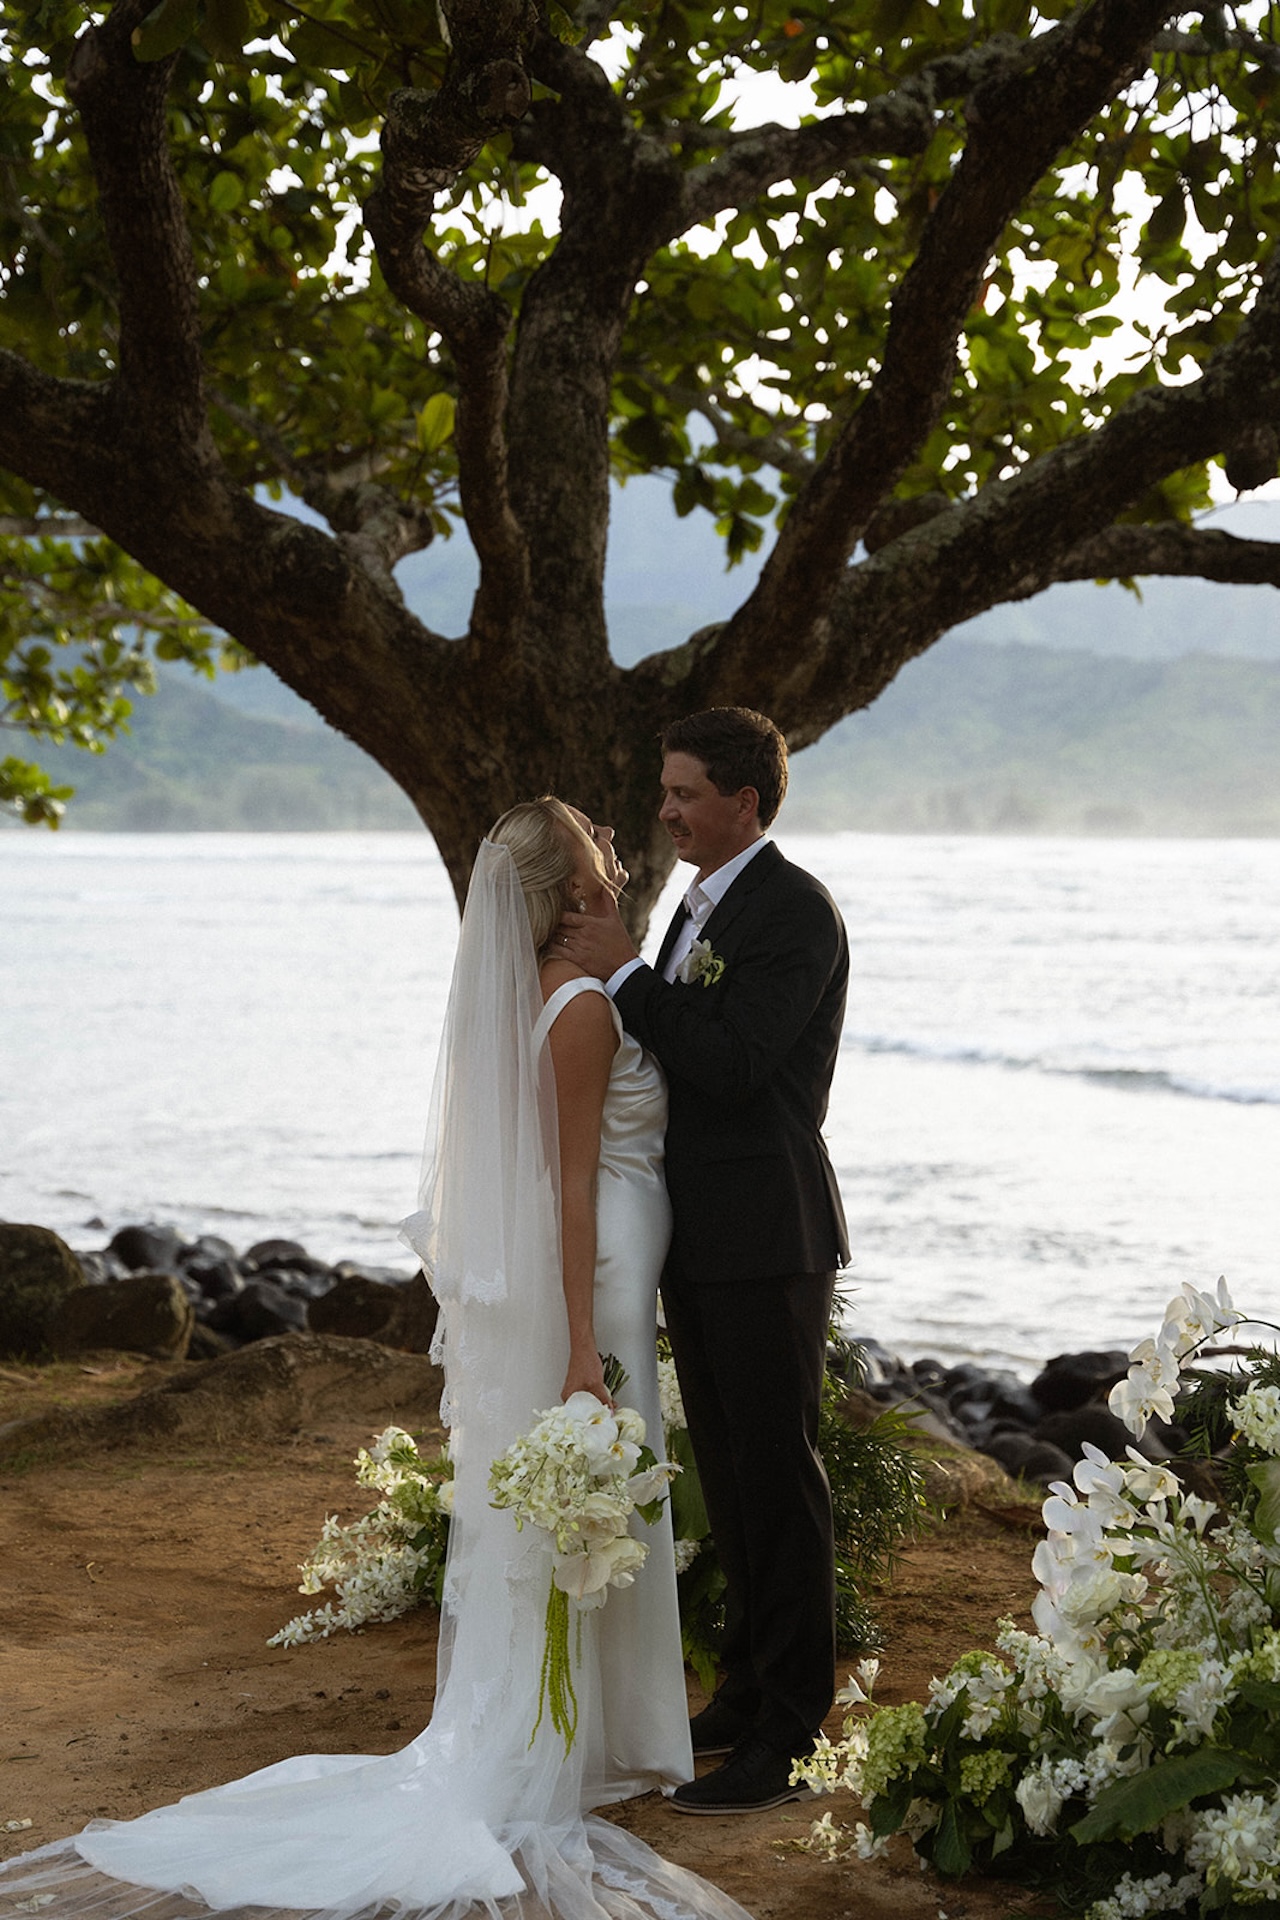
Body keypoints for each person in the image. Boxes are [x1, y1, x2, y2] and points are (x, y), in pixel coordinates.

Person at [0, 799, 752, 1920]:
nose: (612, 835)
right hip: (591, 1284)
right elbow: (575, 1185)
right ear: (571, 882)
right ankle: (562, 1741)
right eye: (592, 836)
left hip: (602, 1276)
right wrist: (582, 1345)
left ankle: (581, 1731)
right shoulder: (583, 1007)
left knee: (565, 1516)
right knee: (587, 1500)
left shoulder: (550, 993)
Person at [559, 708, 850, 1817]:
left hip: (769, 1231)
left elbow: (731, 1064)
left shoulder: (794, 912)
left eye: (685, 794)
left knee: (779, 1481)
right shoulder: (696, 902)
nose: (666, 810)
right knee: (728, 1478)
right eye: (666, 790)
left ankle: (790, 1729)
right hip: (701, 1230)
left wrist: (629, 976)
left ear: (747, 802)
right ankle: (740, 1690)